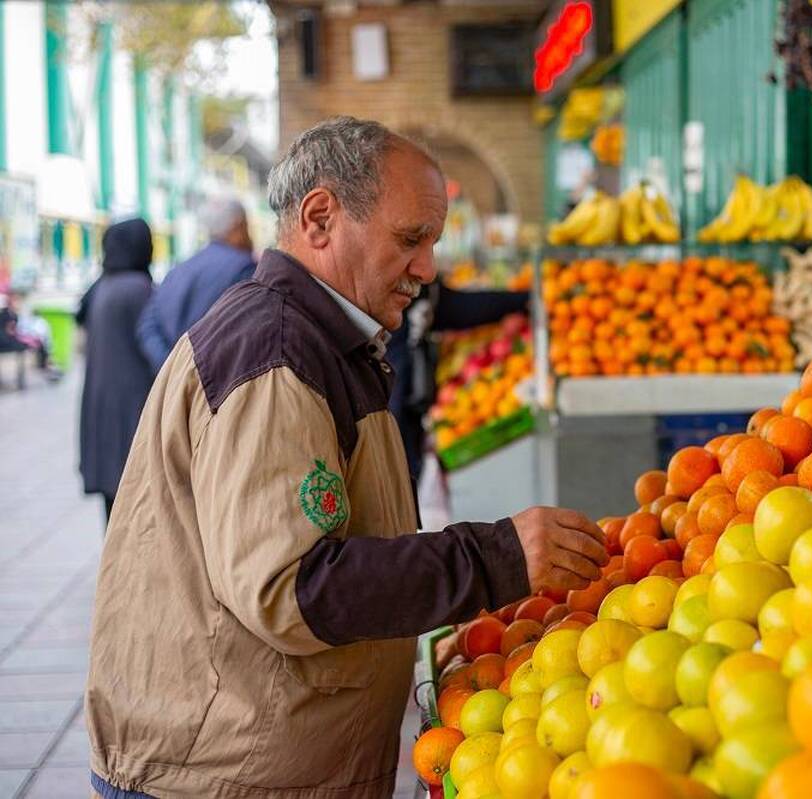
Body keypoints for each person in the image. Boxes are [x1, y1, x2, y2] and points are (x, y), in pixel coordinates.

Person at [86, 116, 607, 799]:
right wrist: (493, 556)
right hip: (219, 775)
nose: (426, 269)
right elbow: (293, 585)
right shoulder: (276, 351)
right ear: (322, 217)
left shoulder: (323, 339)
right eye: (411, 239)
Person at [386, 277, 529, 482]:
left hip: (407, 415)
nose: (428, 269)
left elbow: (450, 307)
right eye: (410, 243)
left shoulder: (419, 287)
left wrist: (520, 300)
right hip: (393, 420)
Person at [76, 218, 155, 521]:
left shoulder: (102, 287)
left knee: (113, 510)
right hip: (131, 411)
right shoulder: (138, 290)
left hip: (102, 408)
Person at [136, 197, 256, 371]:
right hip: (219, 388)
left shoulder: (178, 270)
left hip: (178, 384)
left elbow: (147, 326)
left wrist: (173, 369)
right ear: (238, 227)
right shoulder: (245, 269)